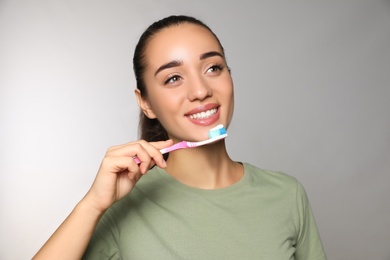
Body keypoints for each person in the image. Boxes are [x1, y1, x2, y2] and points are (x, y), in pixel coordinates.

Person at [33, 15, 326, 259]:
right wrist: (93, 205)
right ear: (145, 102)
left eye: (213, 68)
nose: (200, 91)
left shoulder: (287, 195)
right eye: (173, 78)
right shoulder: (124, 204)